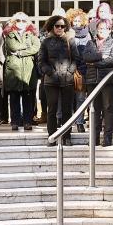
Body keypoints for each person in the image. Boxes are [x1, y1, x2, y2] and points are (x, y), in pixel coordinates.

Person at [40, 15, 80, 145]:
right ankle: (52, 137)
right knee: (51, 109)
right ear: (52, 26)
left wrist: (69, 72)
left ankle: (66, 136)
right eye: (57, 26)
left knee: (67, 110)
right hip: (51, 81)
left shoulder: (70, 40)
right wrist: (51, 72)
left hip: (67, 80)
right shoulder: (46, 42)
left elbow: (76, 59)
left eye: (62, 26)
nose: (60, 28)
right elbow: (41, 61)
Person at [83, 20, 113, 146]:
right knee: (94, 109)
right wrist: (101, 56)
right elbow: (86, 57)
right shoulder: (90, 42)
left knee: (108, 109)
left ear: (109, 30)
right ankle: (94, 138)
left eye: (104, 28)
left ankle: (107, 138)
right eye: (99, 28)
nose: (101, 31)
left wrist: (95, 63)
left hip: (108, 80)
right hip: (92, 80)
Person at [3, 12, 39, 132]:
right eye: (18, 20)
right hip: (14, 70)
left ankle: (28, 121)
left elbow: (36, 47)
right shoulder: (9, 35)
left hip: (28, 70)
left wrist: (20, 53)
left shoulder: (32, 34)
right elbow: (12, 46)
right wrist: (27, 47)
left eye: (24, 21)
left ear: (27, 22)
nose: (21, 23)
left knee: (28, 98)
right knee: (14, 98)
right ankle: (15, 121)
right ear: (14, 21)